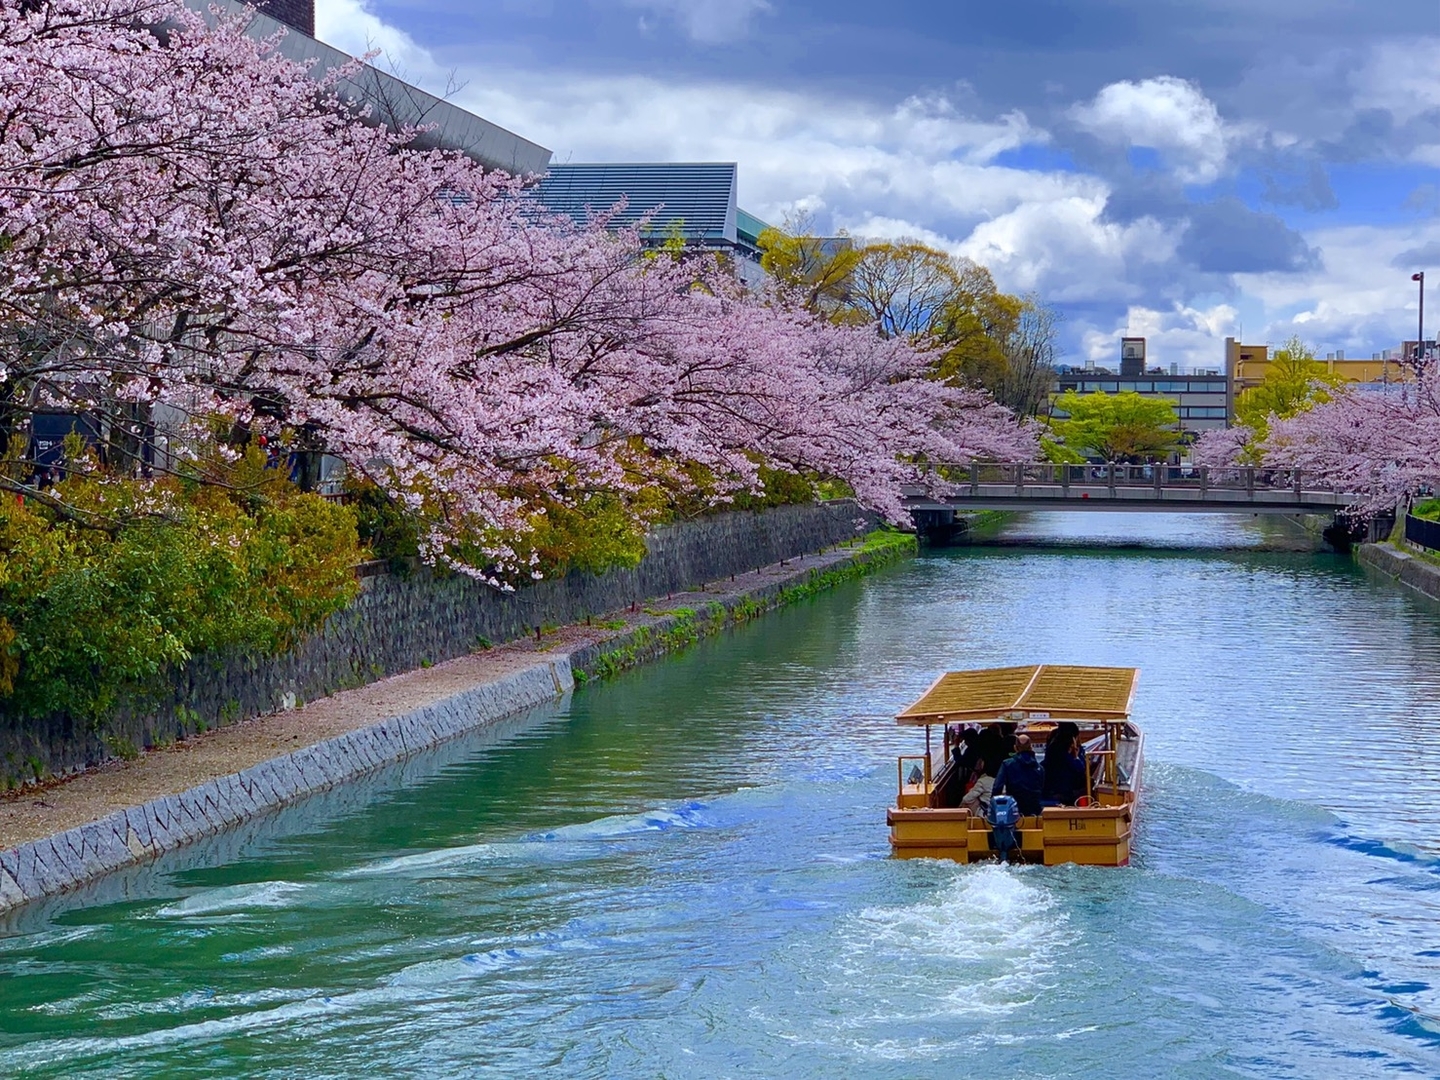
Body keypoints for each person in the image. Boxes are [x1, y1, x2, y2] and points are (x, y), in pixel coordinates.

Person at [993, 733, 1045, 816]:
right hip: (1035, 810)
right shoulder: (1040, 768)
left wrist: (994, 806)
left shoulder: (1007, 764)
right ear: (1031, 748)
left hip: (1013, 809)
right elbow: (1041, 788)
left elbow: (997, 787)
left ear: (1015, 748)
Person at [1042, 722, 1087, 806]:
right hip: (1066, 793)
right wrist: (1076, 757)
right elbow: (1080, 769)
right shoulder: (1069, 753)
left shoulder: (1052, 749)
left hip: (1051, 791)